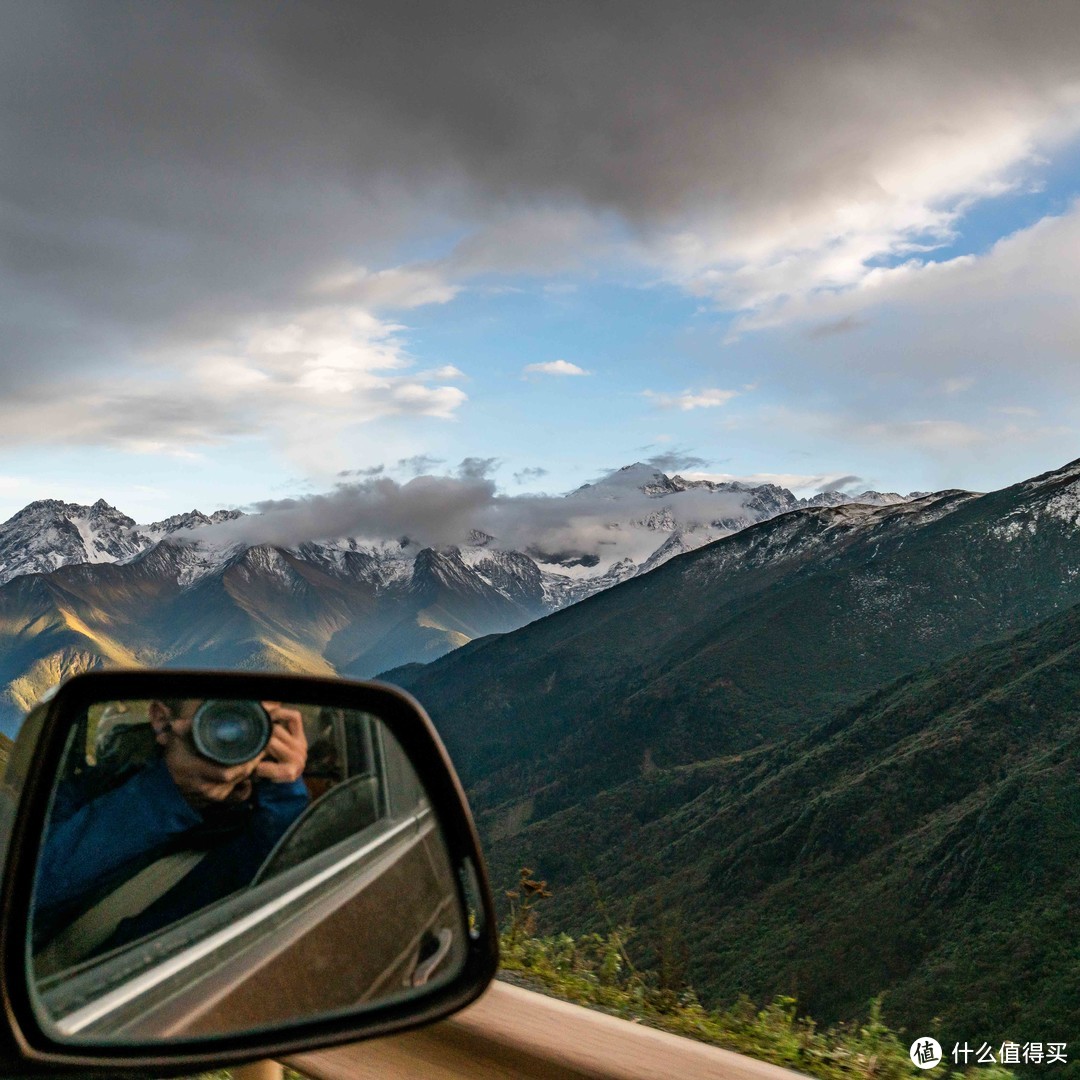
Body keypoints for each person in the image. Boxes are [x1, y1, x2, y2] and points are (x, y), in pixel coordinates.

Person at [33, 699, 309, 961]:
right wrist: (167, 795)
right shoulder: (92, 790)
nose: (233, 733)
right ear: (162, 720)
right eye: (220, 712)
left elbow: (288, 880)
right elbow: (30, 883)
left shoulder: (265, 824)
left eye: (253, 718)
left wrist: (284, 789)